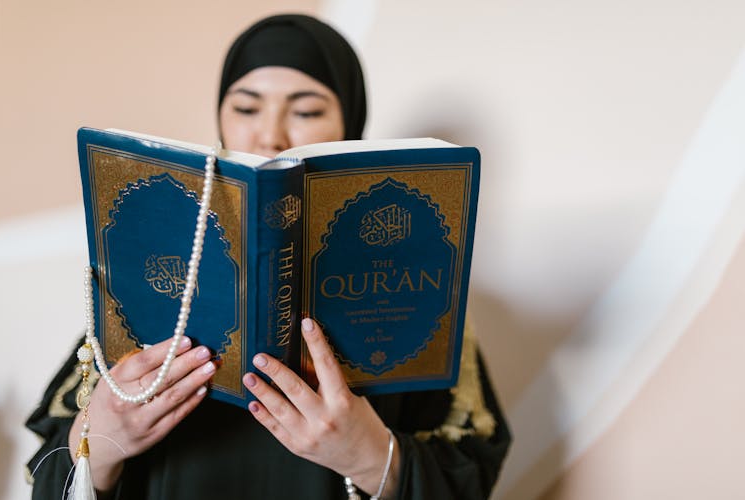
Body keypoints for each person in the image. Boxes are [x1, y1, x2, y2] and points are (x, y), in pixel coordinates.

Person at [26, 14, 511, 499]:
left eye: (305, 111)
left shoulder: (417, 297)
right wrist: (102, 444)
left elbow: (466, 475)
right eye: (246, 107)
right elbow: (53, 472)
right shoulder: (155, 277)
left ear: (351, 125)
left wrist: (368, 454)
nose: (270, 136)